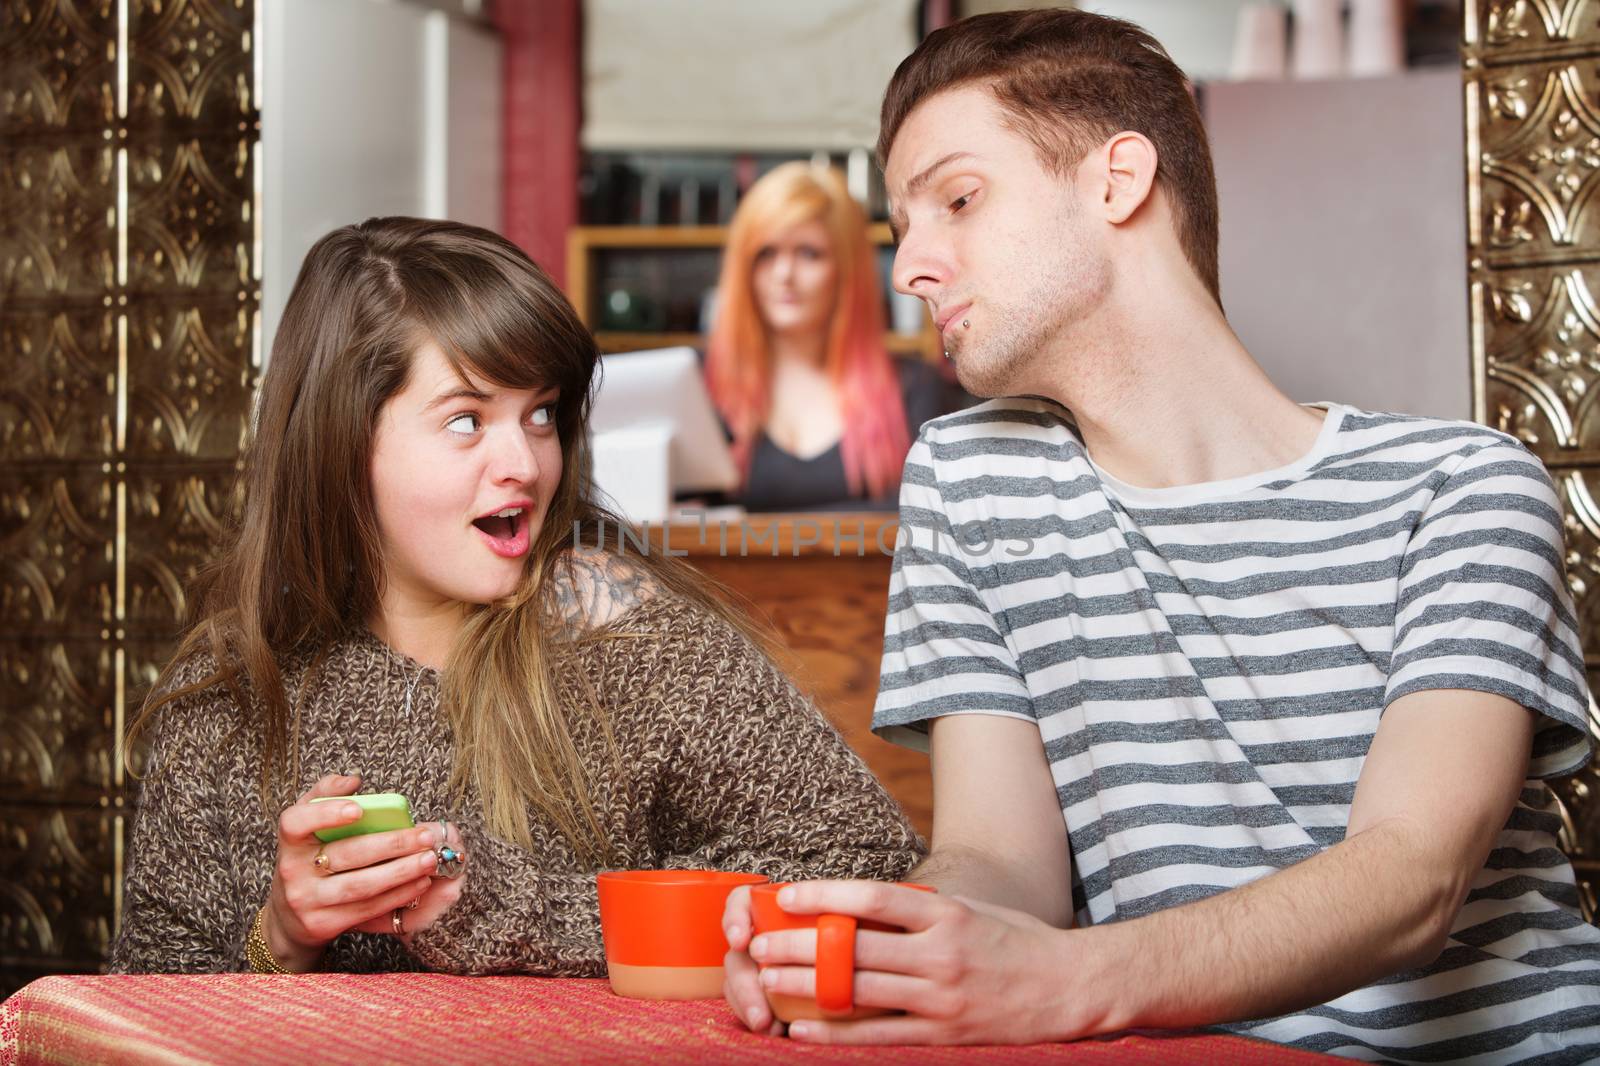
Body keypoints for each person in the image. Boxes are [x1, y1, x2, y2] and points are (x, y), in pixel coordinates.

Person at [722, 10, 1600, 1060]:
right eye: (902, 224)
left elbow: (1412, 875)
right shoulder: (972, 479)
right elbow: (1001, 867)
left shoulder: (1462, 488)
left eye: (956, 199)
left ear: (1116, 180)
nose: (909, 265)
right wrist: (884, 948)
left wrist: (1066, 982)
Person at [110, 217, 923, 976]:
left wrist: (520, 915)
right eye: (466, 421)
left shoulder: (617, 631)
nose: (526, 466)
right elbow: (141, 1006)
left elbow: (862, 863)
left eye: (540, 415)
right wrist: (280, 939)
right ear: (341, 441)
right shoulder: (229, 689)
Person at [705, 161, 949, 512]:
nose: (784, 274)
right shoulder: (702, 386)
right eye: (766, 253)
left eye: (809, 253)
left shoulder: (913, 389)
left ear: (846, 268)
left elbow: (927, 518)